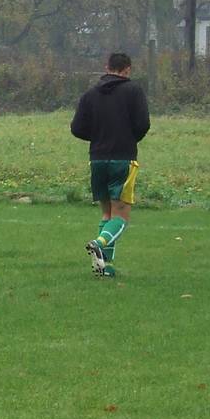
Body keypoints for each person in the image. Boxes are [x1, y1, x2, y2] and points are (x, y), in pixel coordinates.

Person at [71, 51, 151, 277]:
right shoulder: (134, 91)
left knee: (107, 213)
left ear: (107, 68)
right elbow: (143, 124)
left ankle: (105, 267)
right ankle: (99, 243)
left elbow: (77, 128)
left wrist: (97, 136)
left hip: (97, 159)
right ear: (127, 70)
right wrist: (129, 137)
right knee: (121, 216)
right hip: (123, 158)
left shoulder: (90, 94)